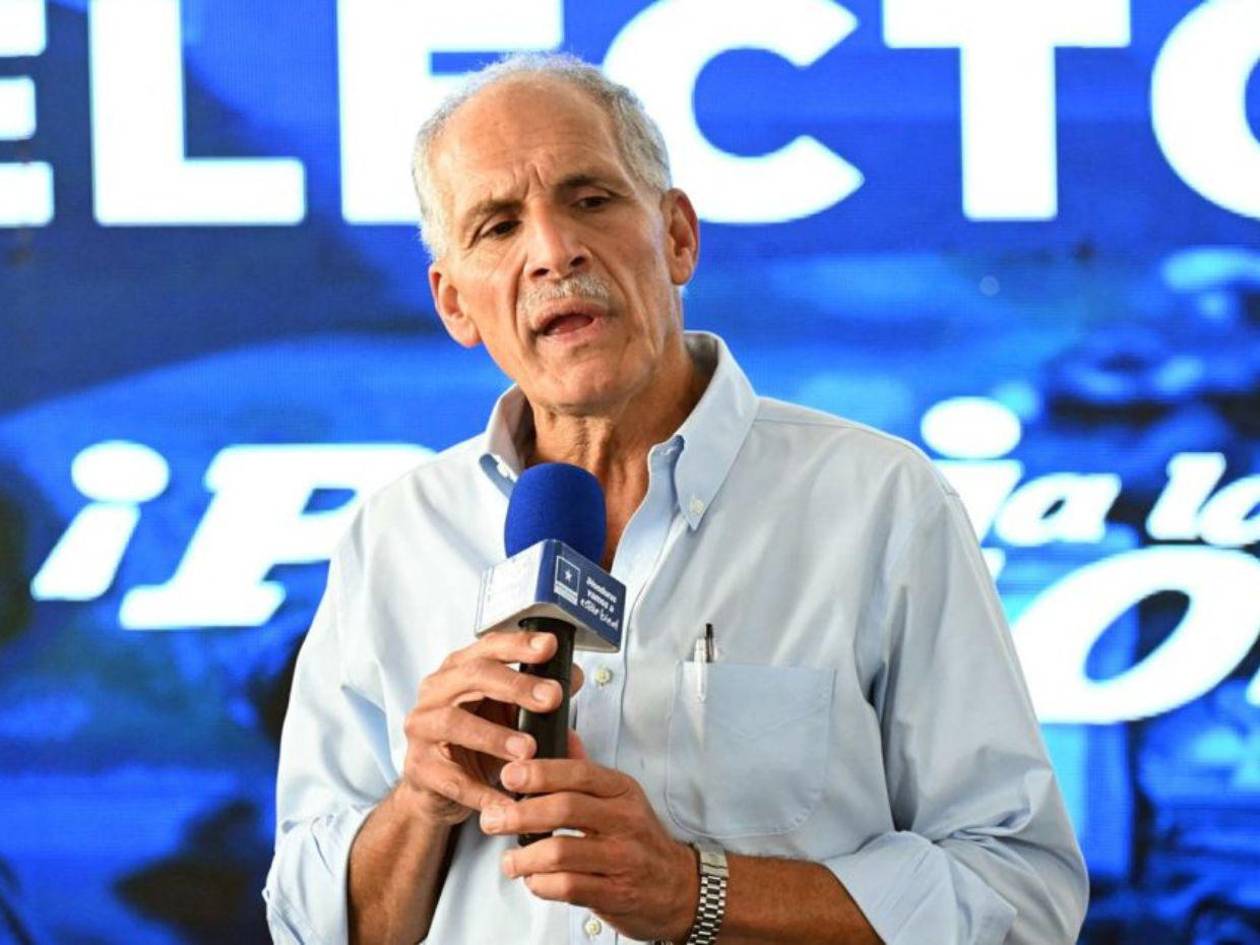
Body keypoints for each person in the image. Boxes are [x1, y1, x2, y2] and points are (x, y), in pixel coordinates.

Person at [263, 53, 1088, 945]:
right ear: (454, 303)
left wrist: (697, 893)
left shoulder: (882, 503)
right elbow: (309, 926)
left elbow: (1020, 895)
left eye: (590, 200)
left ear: (678, 237)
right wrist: (421, 801)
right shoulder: (395, 534)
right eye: (498, 226)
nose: (553, 251)